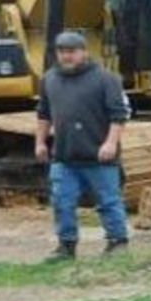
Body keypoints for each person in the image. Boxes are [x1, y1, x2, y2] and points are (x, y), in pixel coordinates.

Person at [34, 30, 131, 260]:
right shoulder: (49, 80)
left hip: (99, 156)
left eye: (72, 51)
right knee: (61, 201)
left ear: (84, 52)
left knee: (108, 200)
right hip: (65, 156)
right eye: (62, 51)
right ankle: (66, 246)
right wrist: (40, 142)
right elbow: (43, 114)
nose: (66, 56)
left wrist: (110, 143)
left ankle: (117, 242)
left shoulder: (106, 79)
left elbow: (118, 115)